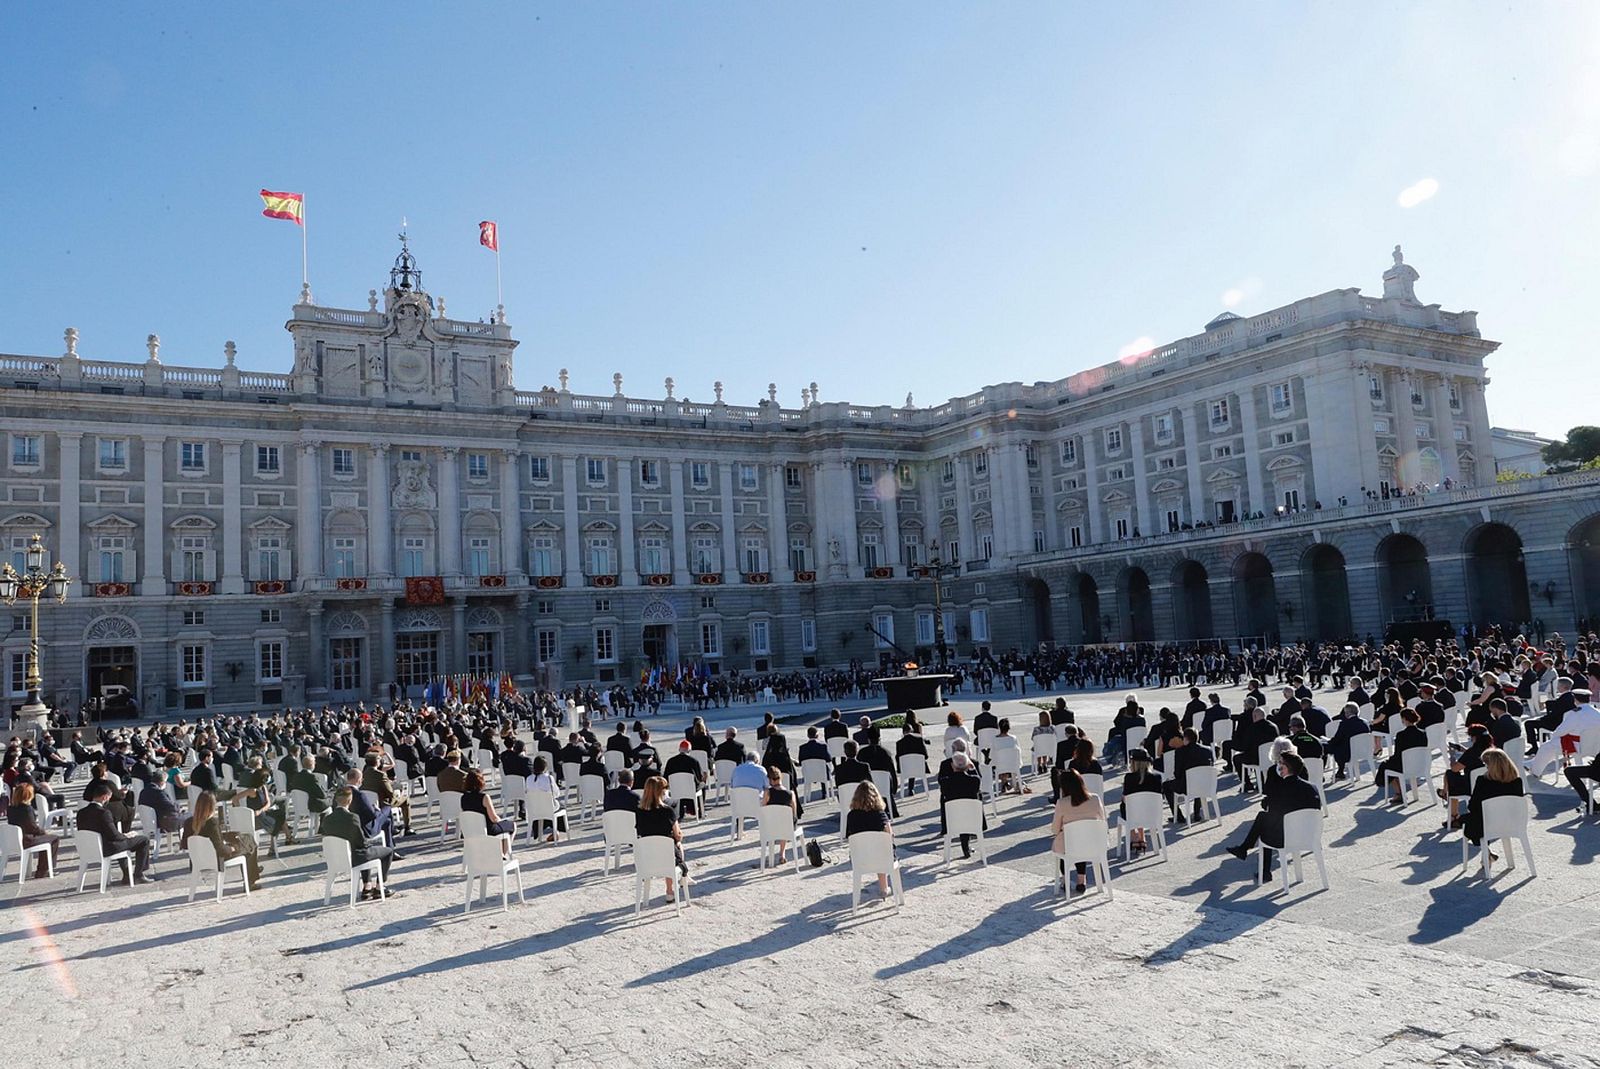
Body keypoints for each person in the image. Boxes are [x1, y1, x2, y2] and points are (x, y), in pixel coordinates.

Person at [1226, 748, 1321, 880]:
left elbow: (1273, 810)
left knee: (1265, 822)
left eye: (1280, 763)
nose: (1278, 766)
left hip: (1288, 837)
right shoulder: (1312, 787)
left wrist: (1268, 803)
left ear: (1286, 768)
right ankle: (1244, 849)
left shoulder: (1281, 788)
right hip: (1309, 835)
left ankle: (1261, 867)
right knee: (1266, 818)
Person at [321, 786, 397, 901]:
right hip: (355, 857)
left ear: (336, 800)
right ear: (350, 801)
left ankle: (367, 887)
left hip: (336, 858)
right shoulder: (353, 817)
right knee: (386, 851)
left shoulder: (327, 819)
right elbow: (361, 843)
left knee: (363, 851)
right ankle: (379, 887)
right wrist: (368, 843)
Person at [180, 790, 261, 890]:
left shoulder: (189, 822)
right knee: (249, 844)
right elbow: (221, 850)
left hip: (198, 859)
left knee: (246, 839)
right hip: (215, 859)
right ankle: (251, 881)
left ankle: (254, 871)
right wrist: (232, 848)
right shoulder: (212, 823)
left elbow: (184, 844)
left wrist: (223, 836)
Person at [76, 781, 155, 883]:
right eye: (109, 797)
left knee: (122, 844)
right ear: (104, 797)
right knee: (144, 840)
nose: (109, 800)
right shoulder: (103, 813)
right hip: (107, 847)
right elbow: (114, 836)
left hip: (89, 848)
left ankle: (127, 875)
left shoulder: (81, 812)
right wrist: (127, 835)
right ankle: (139, 874)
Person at [1049, 767, 1106, 894]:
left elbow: (1055, 829)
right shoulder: (1095, 799)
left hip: (1071, 844)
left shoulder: (1062, 803)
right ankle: (1081, 880)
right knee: (1081, 839)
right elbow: (1102, 820)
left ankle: (1065, 879)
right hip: (1093, 843)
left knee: (1066, 843)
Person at [636, 776, 689, 897]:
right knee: (677, 845)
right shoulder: (668, 811)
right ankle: (670, 889)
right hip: (667, 854)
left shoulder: (639, 811)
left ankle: (676, 883)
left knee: (667, 846)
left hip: (647, 855)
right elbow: (678, 834)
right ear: (661, 791)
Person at [1464, 748, 1526, 846]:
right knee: (1470, 819)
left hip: (1488, 824)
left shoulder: (1483, 781)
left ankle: (1486, 852)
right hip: (1512, 822)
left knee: (1471, 821)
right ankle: (1487, 853)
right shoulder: (1517, 781)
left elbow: (1472, 806)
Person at [843, 780, 894, 899]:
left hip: (859, 858)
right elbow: (889, 836)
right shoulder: (880, 814)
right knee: (882, 849)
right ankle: (884, 888)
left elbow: (849, 836)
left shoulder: (851, 816)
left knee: (874, 848)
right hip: (881, 857)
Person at [936, 748, 983, 858]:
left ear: (952, 766)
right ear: (968, 765)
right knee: (965, 812)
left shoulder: (945, 782)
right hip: (971, 818)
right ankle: (965, 848)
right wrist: (972, 768)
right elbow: (978, 779)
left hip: (952, 818)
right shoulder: (975, 780)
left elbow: (943, 791)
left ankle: (964, 848)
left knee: (959, 811)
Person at [7, 782, 59, 878]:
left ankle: (43, 868)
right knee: (53, 839)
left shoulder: (11, 808)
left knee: (45, 838)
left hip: (15, 838)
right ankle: (43, 870)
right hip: (26, 839)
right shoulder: (27, 809)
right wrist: (44, 832)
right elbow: (32, 828)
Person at [1160, 728, 1212, 822]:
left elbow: (1177, 773)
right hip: (1205, 784)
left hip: (1187, 786)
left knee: (1166, 785)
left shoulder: (1180, 752)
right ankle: (1196, 814)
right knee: (1198, 778)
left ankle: (1178, 816)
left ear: (1186, 739)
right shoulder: (1207, 750)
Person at [1378, 708, 1429, 803]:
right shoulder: (1423, 733)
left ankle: (1398, 793)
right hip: (1420, 764)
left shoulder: (1401, 735)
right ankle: (1399, 793)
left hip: (1405, 765)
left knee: (1387, 766)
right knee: (1391, 764)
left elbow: (1398, 754)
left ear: (1404, 719)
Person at [459, 770, 514, 853]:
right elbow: (494, 818)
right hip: (488, 829)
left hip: (472, 830)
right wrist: (501, 820)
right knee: (512, 825)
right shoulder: (484, 797)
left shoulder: (463, 798)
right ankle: (503, 854)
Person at [1119, 749, 1161, 852]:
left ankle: (1134, 835)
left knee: (1125, 805)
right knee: (1143, 804)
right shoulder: (1156, 777)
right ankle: (1142, 837)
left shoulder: (1129, 778)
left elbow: (1125, 798)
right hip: (1152, 814)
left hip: (1134, 815)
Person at [761, 765, 799, 864]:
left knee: (776, 820)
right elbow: (794, 813)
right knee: (786, 821)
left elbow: (763, 809)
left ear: (770, 779)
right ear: (780, 777)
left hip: (770, 826)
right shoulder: (790, 794)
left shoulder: (767, 792)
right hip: (786, 828)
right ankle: (782, 853)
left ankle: (772, 853)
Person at [1325, 702, 1371, 780]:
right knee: (1341, 745)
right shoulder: (1365, 723)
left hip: (1347, 752)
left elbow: (1337, 739)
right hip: (1362, 750)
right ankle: (1340, 771)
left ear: (1347, 713)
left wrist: (1328, 742)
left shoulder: (1344, 724)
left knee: (1324, 747)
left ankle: (1337, 770)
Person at [527, 755, 567, 841]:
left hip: (535, 809)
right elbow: (556, 794)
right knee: (561, 805)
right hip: (549, 808)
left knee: (546, 805)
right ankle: (556, 830)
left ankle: (547, 831)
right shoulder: (548, 778)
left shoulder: (529, 778)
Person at [663, 740, 705, 818]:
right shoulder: (694, 761)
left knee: (680, 788)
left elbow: (665, 777)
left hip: (675, 789)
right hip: (691, 789)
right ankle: (700, 811)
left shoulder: (671, 761)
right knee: (703, 785)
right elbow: (700, 777)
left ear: (679, 749)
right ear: (689, 750)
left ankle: (681, 810)